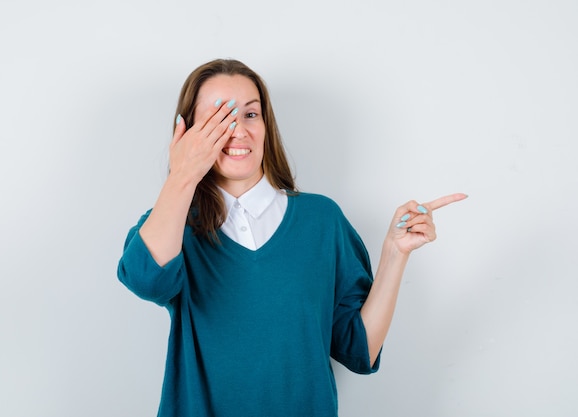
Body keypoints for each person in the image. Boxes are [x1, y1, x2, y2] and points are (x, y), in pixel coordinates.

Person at [117, 58, 467, 417]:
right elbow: (145, 279)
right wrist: (183, 174)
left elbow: (361, 349)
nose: (237, 130)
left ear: (266, 125)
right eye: (217, 118)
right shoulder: (174, 226)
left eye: (250, 115)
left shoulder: (322, 220)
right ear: (188, 133)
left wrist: (395, 254)